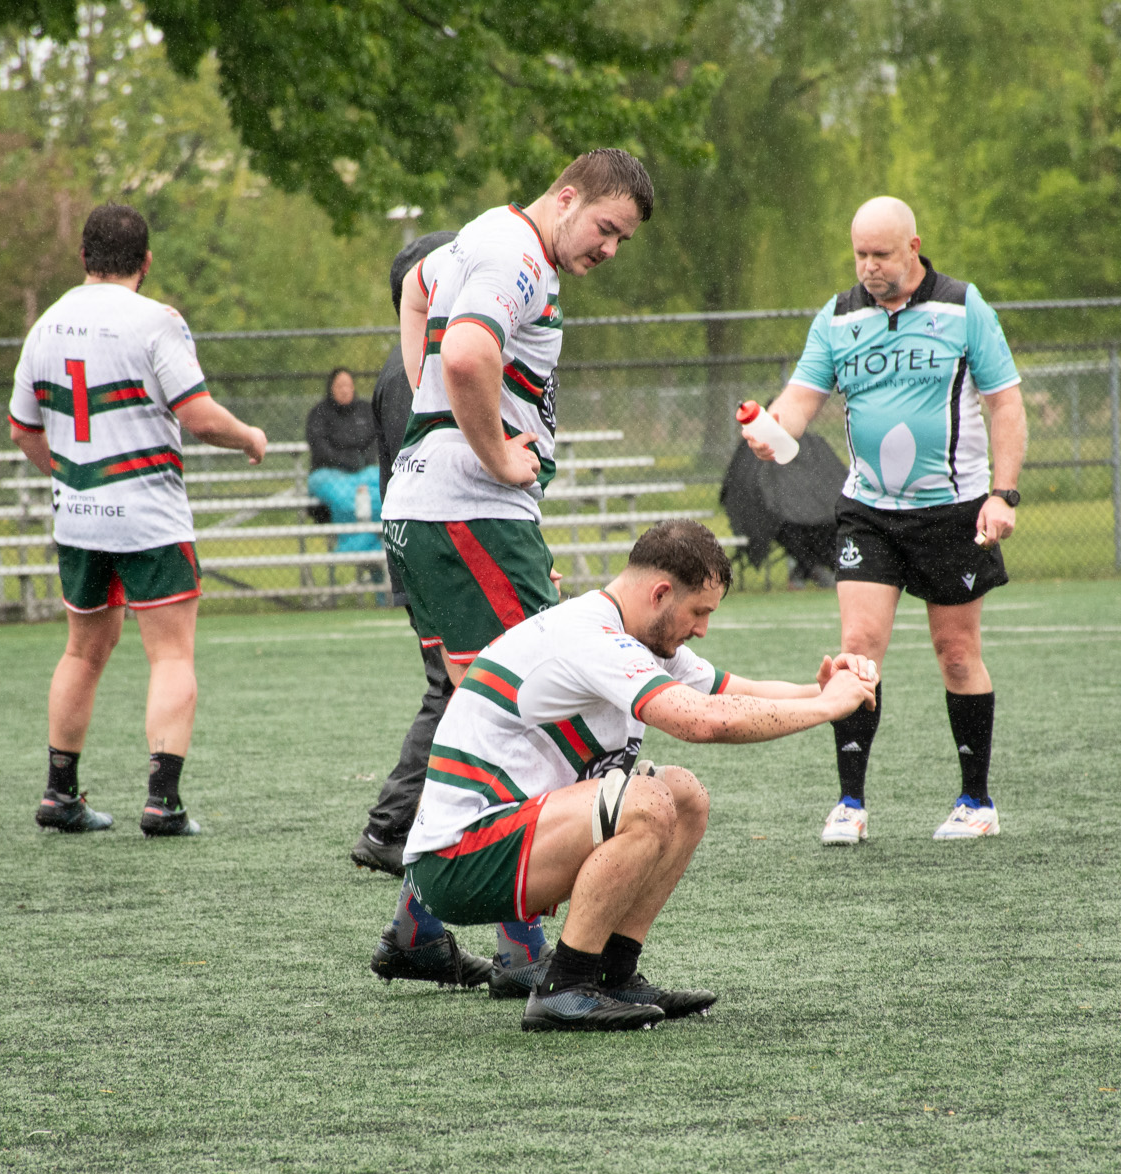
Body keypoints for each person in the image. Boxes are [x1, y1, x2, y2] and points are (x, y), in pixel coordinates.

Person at [371, 520, 880, 1030]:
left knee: (683, 796)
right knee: (646, 802)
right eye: (698, 611)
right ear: (660, 593)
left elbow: (725, 691)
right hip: (457, 861)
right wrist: (829, 709)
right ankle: (563, 988)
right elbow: (703, 721)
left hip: (507, 841)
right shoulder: (590, 635)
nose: (702, 628)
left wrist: (822, 692)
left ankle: (612, 975)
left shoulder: (631, 636)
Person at [376, 149, 653, 994]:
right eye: (606, 228)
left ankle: (420, 932)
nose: (608, 250)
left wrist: (435, 419)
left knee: (486, 723)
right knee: (550, 716)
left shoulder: (484, 240)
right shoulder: (515, 251)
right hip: (474, 519)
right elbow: (465, 357)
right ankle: (529, 952)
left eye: (621, 241)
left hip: (438, 512)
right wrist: (492, 451)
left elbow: (418, 287)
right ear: (567, 197)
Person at [741, 196, 1027, 846]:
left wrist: (1002, 494)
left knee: (956, 653)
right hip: (869, 510)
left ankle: (976, 802)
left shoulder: (962, 307)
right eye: (859, 255)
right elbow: (800, 400)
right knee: (857, 650)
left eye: (880, 254)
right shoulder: (839, 318)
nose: (868, 267)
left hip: (953, 510)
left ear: (913, 247)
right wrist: (772, 430)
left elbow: (1005, 404)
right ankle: (849, 803)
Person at [8, 202, 269, 837]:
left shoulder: (46, 323)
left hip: (79, 518)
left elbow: (22, 428)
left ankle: (59, 792)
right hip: (149, 517)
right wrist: (249, 437)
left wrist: (74, 476)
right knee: (171, 655)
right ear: (146, 262)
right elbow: (199, 415)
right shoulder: (157, 321)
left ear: (83, 259)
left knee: (82, 651)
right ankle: (163, 801)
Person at [351, 229, 459, 878]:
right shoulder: (408, 369)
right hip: (433, 550)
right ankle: (389, 825)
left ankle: (406, 822)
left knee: (454, 690)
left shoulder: (416, 358)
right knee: (451, 690)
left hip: (428, 549)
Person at [303, 367, 382, 555]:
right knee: (347, 500)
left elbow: (375, 442)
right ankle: (360, 551)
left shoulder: (366, 410)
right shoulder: (319, 413)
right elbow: (319, 446)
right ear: (331, 388)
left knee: (384, 496)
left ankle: (367, 552)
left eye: (348, 385)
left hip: (364, 474)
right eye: (339, 385)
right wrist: (343, 461)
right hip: (330, 475)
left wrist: (361, 461)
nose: (344, 389)